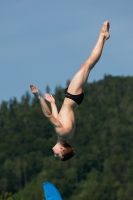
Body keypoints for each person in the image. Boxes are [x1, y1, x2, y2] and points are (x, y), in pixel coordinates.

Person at [30, 21, 110, 161]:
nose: (54, 154)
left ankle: (103, 37)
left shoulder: (65, 136)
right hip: (72, 97)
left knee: (87, 66)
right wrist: (38, 96)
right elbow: (48, 115)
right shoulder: (62, 132)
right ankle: (102, 36)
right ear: (62, 149)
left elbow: (58, 117)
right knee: (88, 65)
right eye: (57, 154)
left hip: (75, 100)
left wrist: (53, 103)